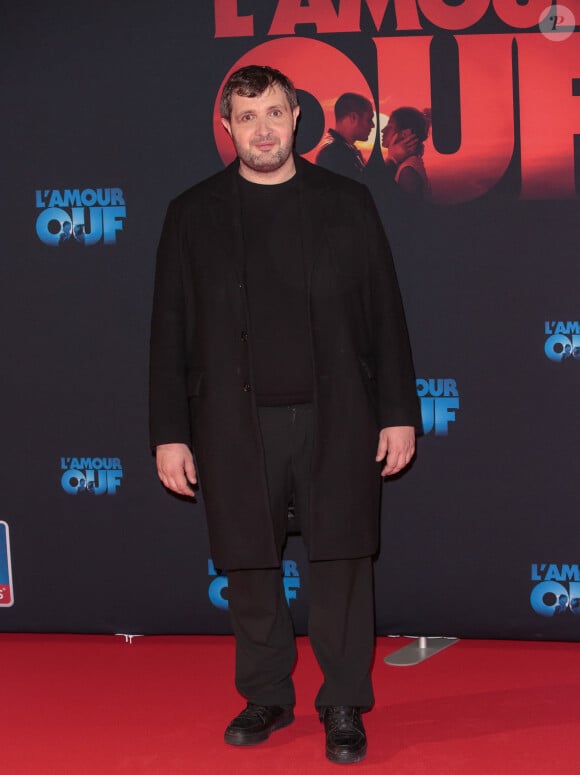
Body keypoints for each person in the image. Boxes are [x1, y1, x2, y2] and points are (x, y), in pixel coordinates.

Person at [149, 65, 420, 765]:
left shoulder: (348, 203)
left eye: (274, 113)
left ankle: (342, 702)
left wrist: (397, 412)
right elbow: (168, 330)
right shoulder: (191, 212)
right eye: (246, 117)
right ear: (227, 126)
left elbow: (385, 316)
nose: (262, 129)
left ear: (298, 116)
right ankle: (267, 690)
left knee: (341, 563)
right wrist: (169, 432)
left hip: (341, 416)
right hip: (233, 423)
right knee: (248, 564)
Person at [382, 107, 431, 200]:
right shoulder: (405, 165)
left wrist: (392, 158)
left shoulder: (407, 172)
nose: (383, 130)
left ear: (405, 133)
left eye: (389, 126)